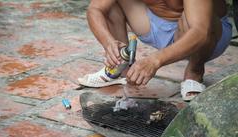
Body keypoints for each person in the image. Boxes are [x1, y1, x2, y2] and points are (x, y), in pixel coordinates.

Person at [78, 0, 232, 101]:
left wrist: (155, 60)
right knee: (110, 4)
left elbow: (200, 31)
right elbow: (95, 9)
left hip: (207, 36)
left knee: (197, 21)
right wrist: (109, 43)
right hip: (158, 24)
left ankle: (194, 72)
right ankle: (120, 65)